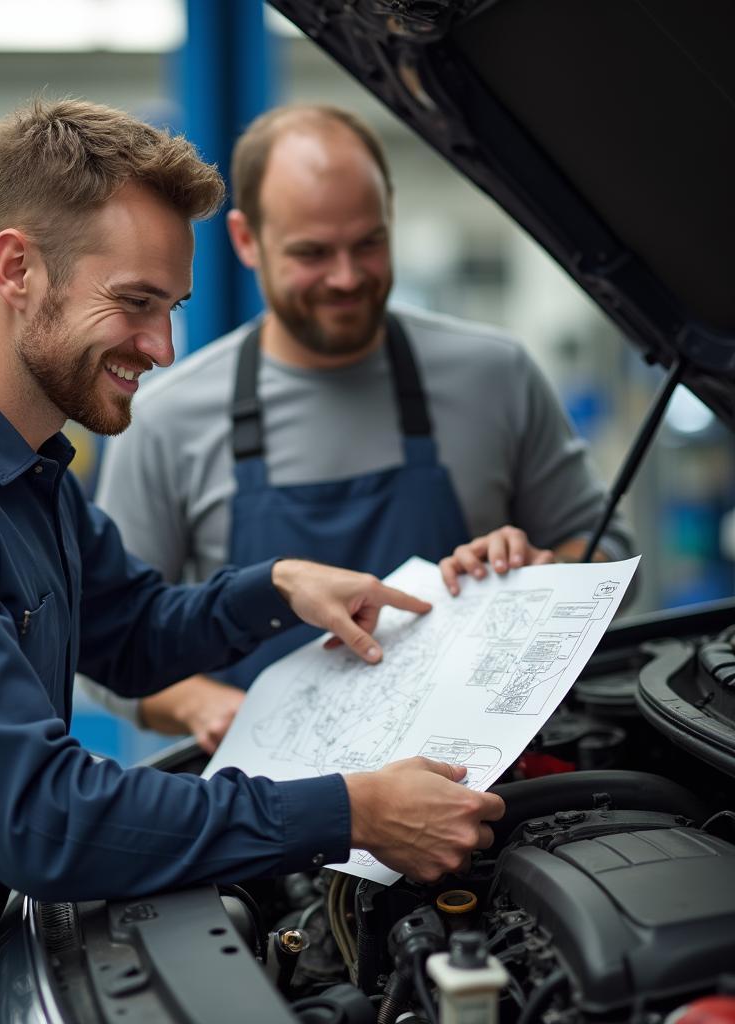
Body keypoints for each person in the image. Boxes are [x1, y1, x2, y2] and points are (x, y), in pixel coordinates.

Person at [0, 99, 505, 1024]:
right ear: (16, 267)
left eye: (169, 309)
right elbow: (44, 821)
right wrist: (351, 812)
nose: (162, 349)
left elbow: (128, 631)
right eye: (134, 303)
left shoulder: (23, 467)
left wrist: (277, 587)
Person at [86, 103, 633, 752]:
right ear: (245, 240)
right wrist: (202, 704)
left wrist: (540, 573)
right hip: (270, 821)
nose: (346, 277)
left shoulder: (495, 375)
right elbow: (109, 647)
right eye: (313, 253)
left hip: (483, 795)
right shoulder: (164, 419)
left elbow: (610, 551)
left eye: (368, 243)